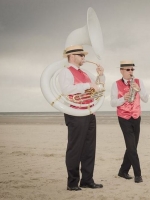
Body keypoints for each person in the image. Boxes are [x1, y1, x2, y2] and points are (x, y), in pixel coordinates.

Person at [58, 45, 105, 191]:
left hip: (89, 112)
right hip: (75, 113)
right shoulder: (65, 71)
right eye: (81, 55)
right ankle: (72, 183)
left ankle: (87, 180)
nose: (84, 58)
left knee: (89, 148)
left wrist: (100, 75)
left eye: (84, 55)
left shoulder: (84, 72)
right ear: (72, 56)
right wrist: (87, 85)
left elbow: (98, 87)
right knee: (75, 148)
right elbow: (66, 90)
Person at [110, 60, 149, 183]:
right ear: (121, 71)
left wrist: (138, 90)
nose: (131, 72)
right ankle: (138, 175)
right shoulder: (115, 84)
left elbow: (146, 99)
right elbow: (112, 103)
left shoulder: (139, 82)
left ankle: (123, 171)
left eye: (132, 69)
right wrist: (123, 99)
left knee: (132, 146)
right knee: (131, 147)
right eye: (128, 70)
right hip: (123, 117)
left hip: (136, 116)